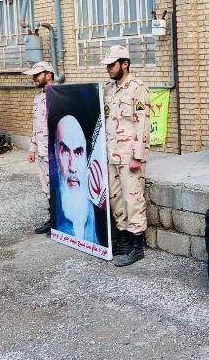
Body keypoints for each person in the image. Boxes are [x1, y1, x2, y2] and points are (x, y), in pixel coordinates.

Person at [100, 45, 151, 267]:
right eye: (107, 65)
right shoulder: (108, 89)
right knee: (115, 198)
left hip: (130, 155)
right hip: (111, 153)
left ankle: (137, 246)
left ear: (125, 64)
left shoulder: (138, 88)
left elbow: (142, 124)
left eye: (112, 65)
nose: (108, 69)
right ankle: (123, 240)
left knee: (133, 199)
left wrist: (137, 156)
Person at [47, 86, 108, 247]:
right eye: (65, 151)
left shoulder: (102, 215)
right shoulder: (56, 209)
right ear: (55, 152)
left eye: (79, 152)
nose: (72, 167)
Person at [22, 61, 56, 234]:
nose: (34, 78)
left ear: (48, 75)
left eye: (37, 75)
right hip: (42, 151)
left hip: (56, 153)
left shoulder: (60, 95)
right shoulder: (37, 98)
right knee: (46, 186)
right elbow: (36, 126)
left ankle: (60, 222)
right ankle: (52, 220)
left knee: (57, 187)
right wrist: (32, 149)